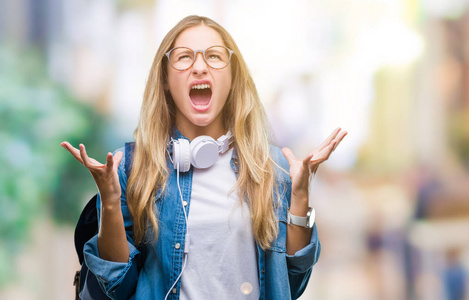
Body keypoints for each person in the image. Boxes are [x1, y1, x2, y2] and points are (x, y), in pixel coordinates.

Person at [61, 15, 347, 300]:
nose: (200, 67)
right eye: (184, 57)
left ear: (233, 78)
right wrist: (110, 202)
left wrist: (299, 199)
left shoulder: (273, 168)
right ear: (165, 80)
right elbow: (117, 289)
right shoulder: (133, 169)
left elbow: (292, 284)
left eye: (214, 56)